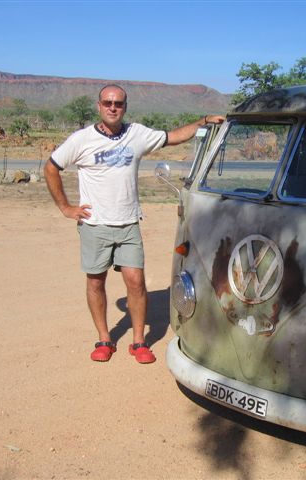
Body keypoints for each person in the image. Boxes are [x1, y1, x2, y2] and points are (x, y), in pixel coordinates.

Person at [45, 84, 224, 364]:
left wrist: (202, 122)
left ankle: (138, 342)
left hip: (128, 224)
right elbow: (51, 166)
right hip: (95, 225)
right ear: (99, 105)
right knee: (95, 282)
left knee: (137, 283)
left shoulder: (137, 134)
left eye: (118, 103)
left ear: (125, 107)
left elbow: (172, 137)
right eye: (107, 103)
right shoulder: (81, 140)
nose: (113, 107)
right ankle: (104, 339)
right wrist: (66, 207)